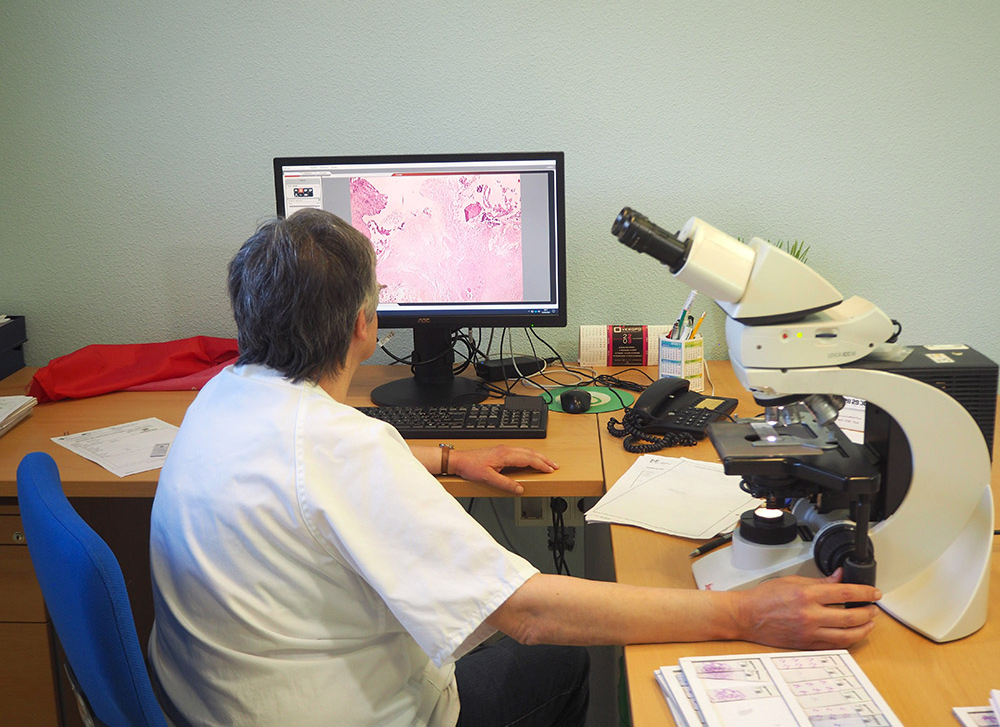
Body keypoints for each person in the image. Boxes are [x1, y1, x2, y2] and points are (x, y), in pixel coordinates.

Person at [148, 208, 881, 727]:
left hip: (215, 704)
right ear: (365, 326)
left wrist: (447, 455)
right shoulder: (342, 449)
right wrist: (744, 613)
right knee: (562, 664)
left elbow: (309, 469)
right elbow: (528, 615)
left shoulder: (224, 396)